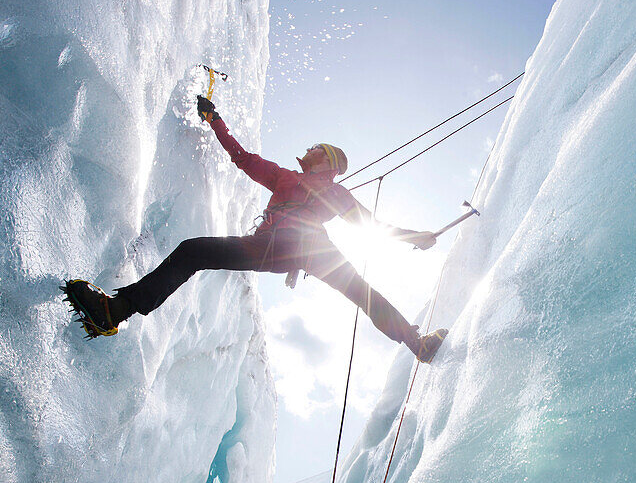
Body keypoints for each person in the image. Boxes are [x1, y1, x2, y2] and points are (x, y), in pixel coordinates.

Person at [63, 95, 448, 363]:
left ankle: (115, 311)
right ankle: (114, 311)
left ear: (325, 158)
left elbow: (371, 226)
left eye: (317, 146)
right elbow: (243, 158)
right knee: (364, 294)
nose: (309, 147)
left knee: (193, 253)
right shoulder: (295, 180)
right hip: (298, 251)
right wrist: (216, 121)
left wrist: (415, 237)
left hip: (287, 248)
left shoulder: (314, 186)